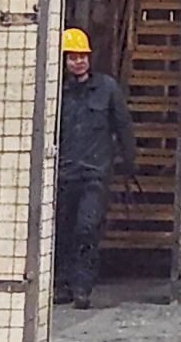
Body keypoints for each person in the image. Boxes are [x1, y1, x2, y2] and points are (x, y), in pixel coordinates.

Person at [55, 26, 135, 309]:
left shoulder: (107, 89)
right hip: (64, 176)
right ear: (63, 60)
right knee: (62, 232)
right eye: (72, 57)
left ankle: (82, 287)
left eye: (82, 56)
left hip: (94, 176)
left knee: (87, 228)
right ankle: (62, 285)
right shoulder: (56, 93)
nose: (78, 61)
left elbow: (123, 125)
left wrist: (129, 161)